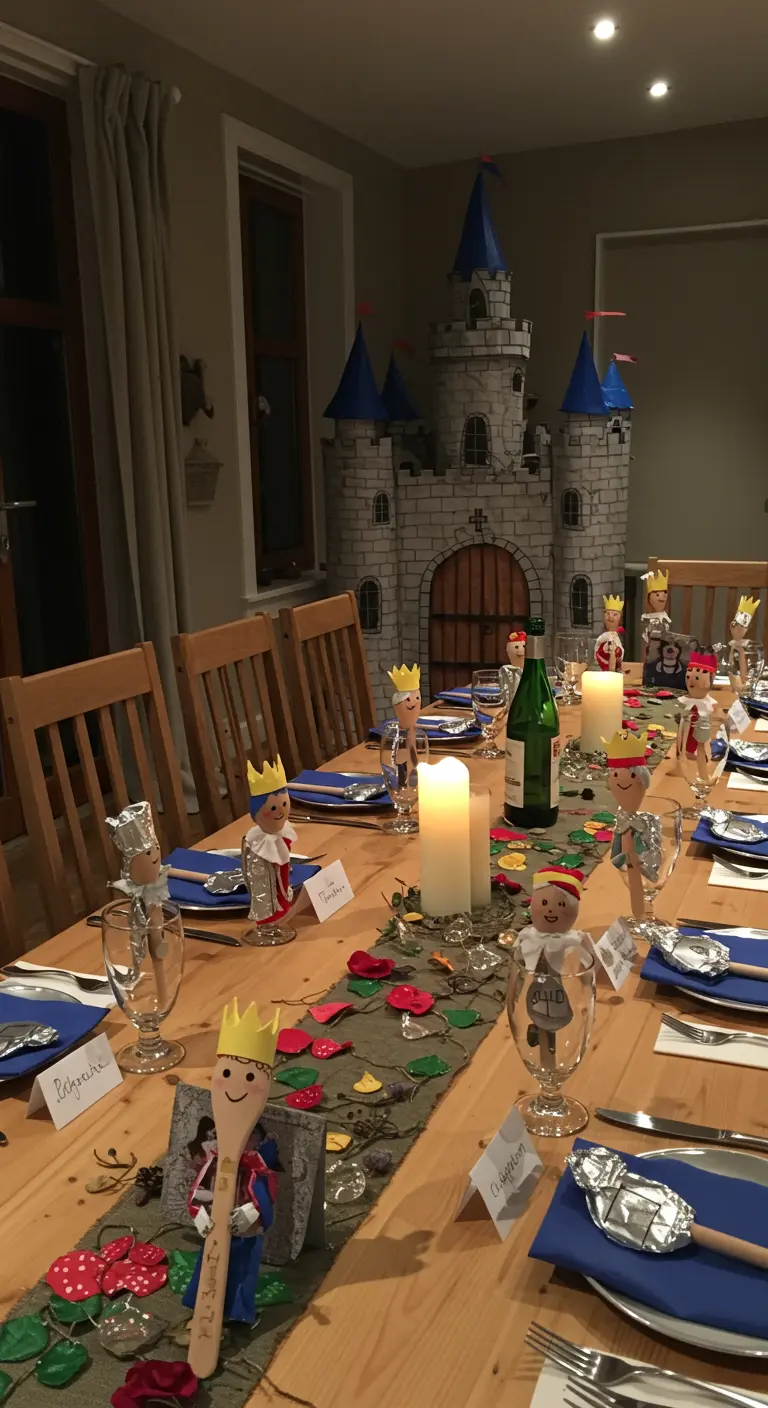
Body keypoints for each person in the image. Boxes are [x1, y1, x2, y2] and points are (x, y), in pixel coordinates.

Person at [183, 1001, 280, 1326]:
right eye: (226, 1073)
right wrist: (200, 1217)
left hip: (245, 1233)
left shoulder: (258, 1166)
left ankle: (237, 1314)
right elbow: (198, 1192)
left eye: (250, 1076)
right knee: (208, 1268)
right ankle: (202, 1310)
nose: (237, 1085)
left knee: (243, 1272)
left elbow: (265, 1194)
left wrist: (252, 1212)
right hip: (214, 1231)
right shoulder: (214, 1160)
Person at [241, 758, 297, 926]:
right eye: (272, 808)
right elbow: (257, 880)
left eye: (284, 804)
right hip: (267, 902)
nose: (280, 811)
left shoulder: (283, 836)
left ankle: (282, 912)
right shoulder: (258, 845)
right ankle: (270, 920)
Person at [640, 568, 671, 662]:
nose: (662, 598)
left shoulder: (664, 619)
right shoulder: (647, 619)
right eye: (657, 595)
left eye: (664, 594)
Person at [594, 595, 625, 672]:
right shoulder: (603, 637)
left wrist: (618, 653)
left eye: (615, 614)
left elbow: (620, 653)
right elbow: (597, 649)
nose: (610, 617)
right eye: (608, 614)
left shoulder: (616, 637)